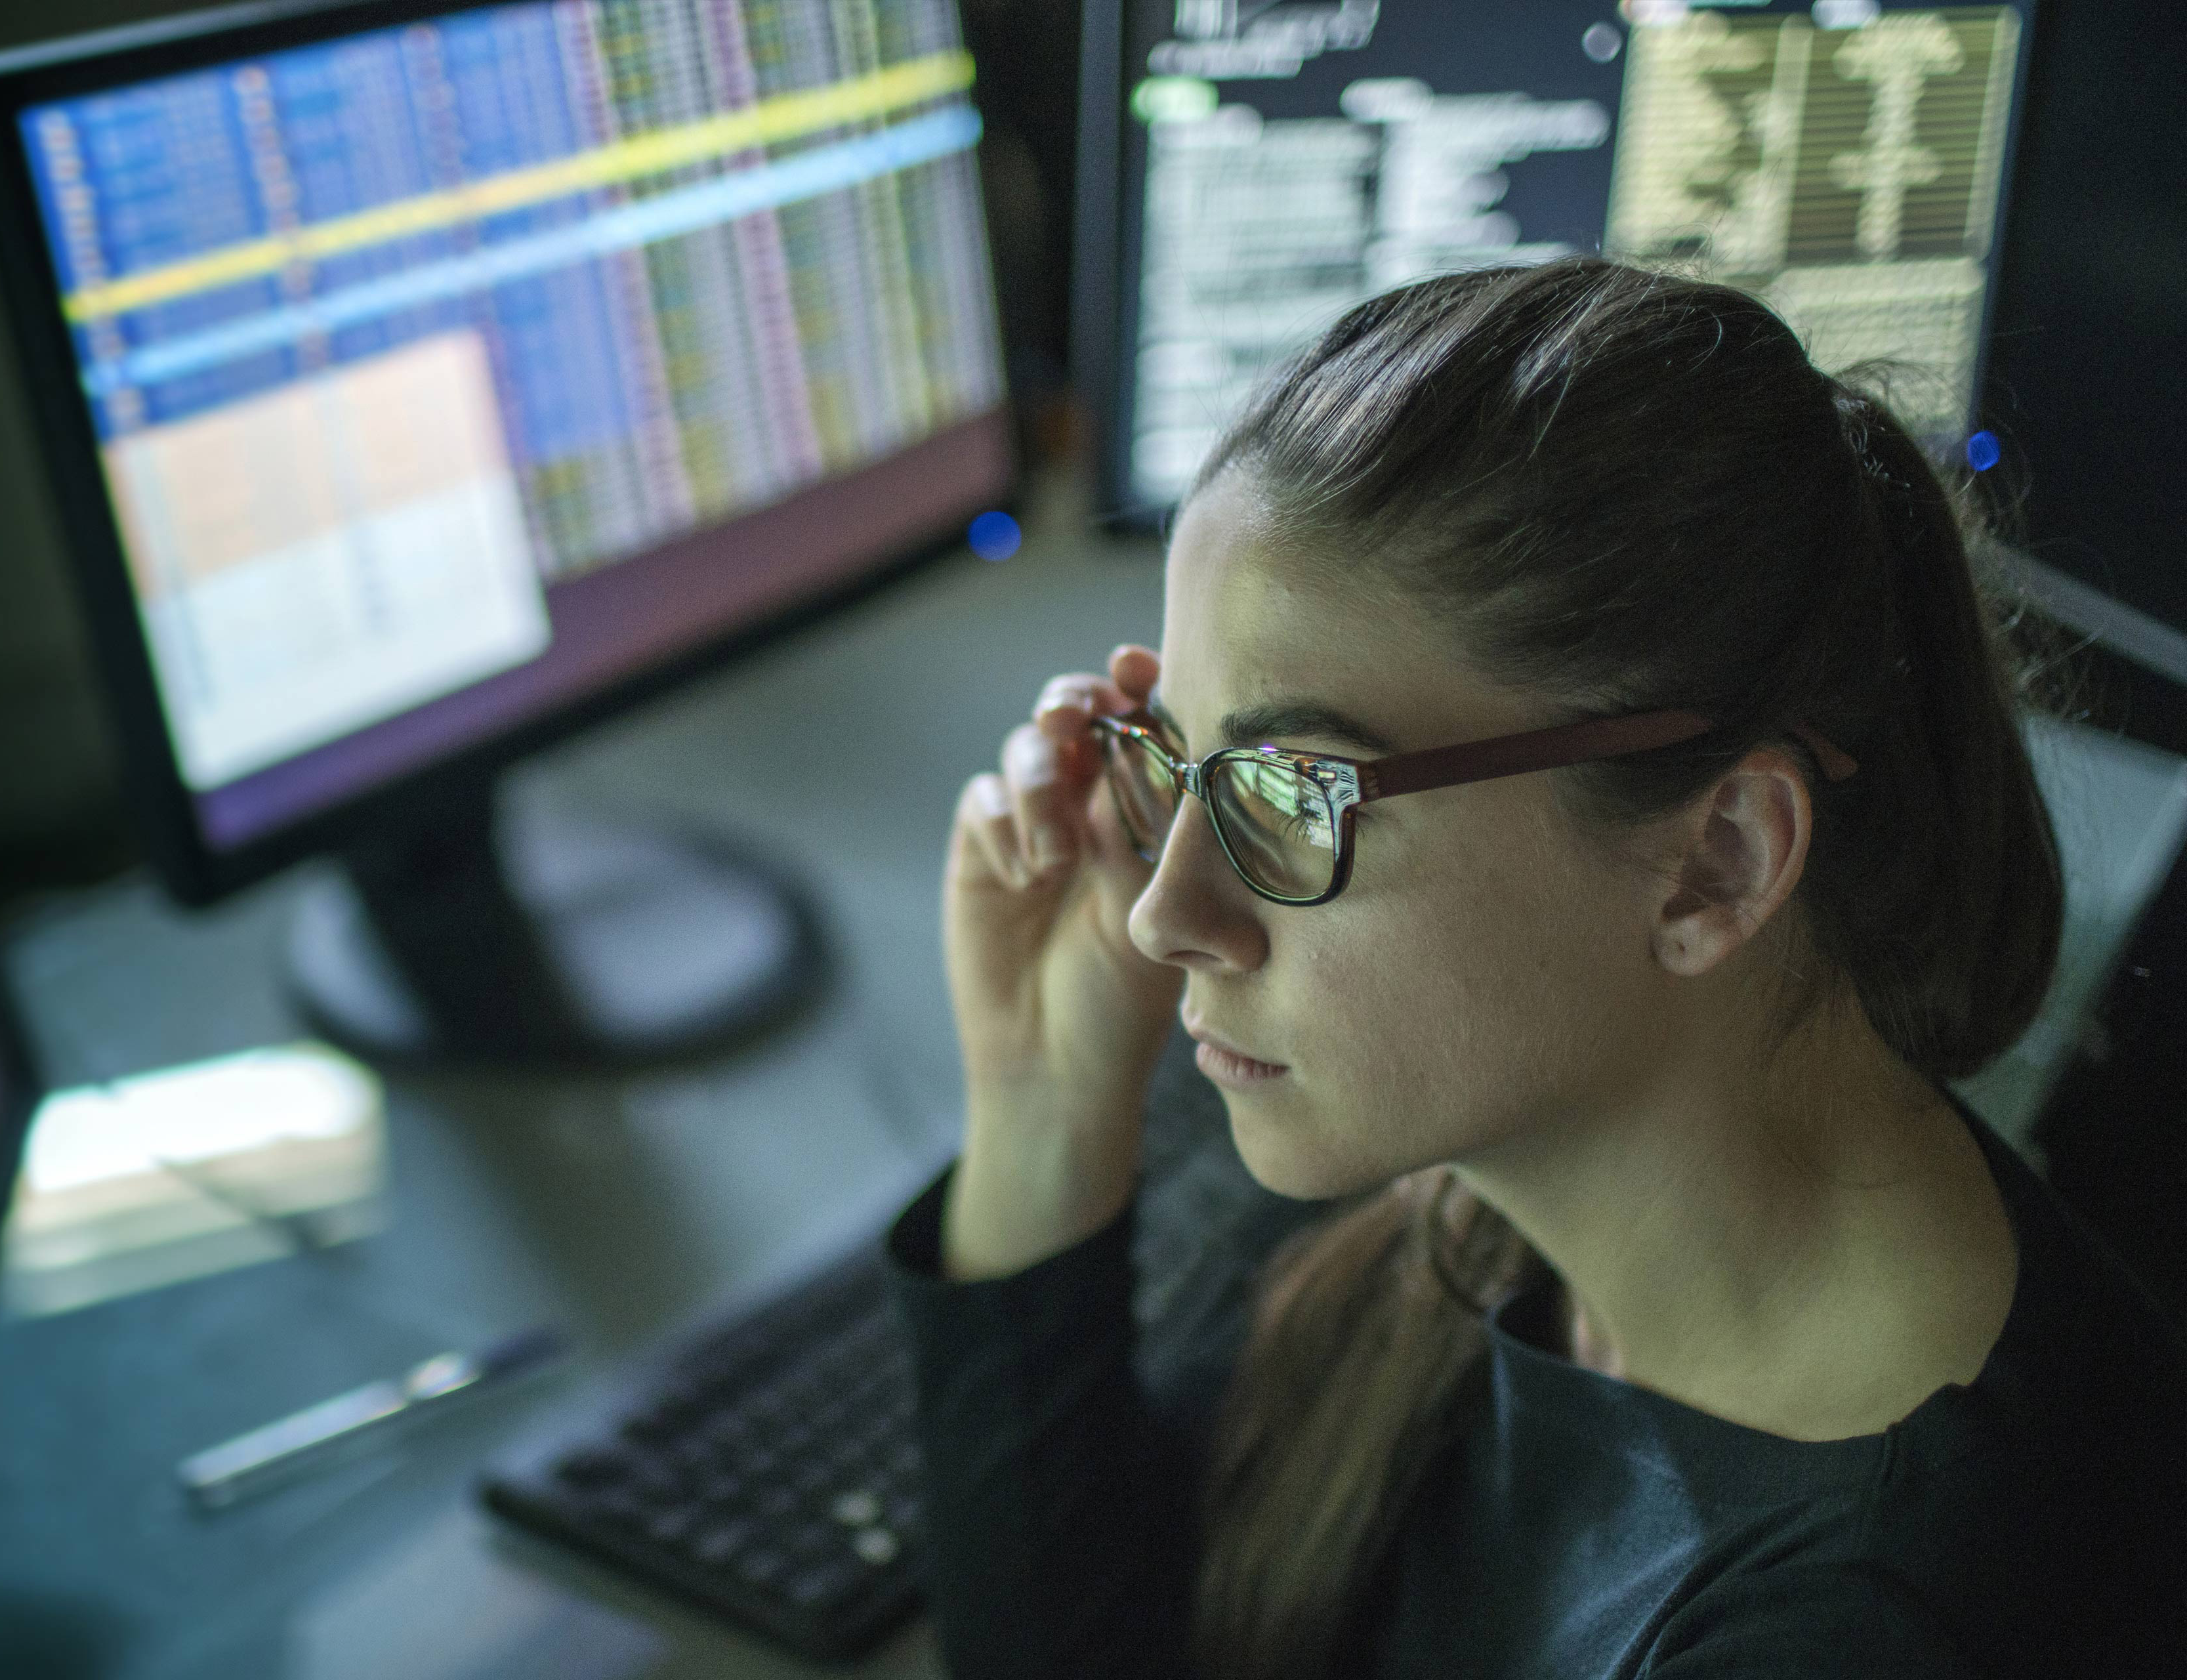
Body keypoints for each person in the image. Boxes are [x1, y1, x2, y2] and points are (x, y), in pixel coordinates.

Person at [883, 259, 2186, 1678]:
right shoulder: (1474, 1185)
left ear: (1719, 863)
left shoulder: (1889, 1623)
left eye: (1294, 792)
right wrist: (1044, 1103)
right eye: (1171, 761)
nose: (1162, 913)